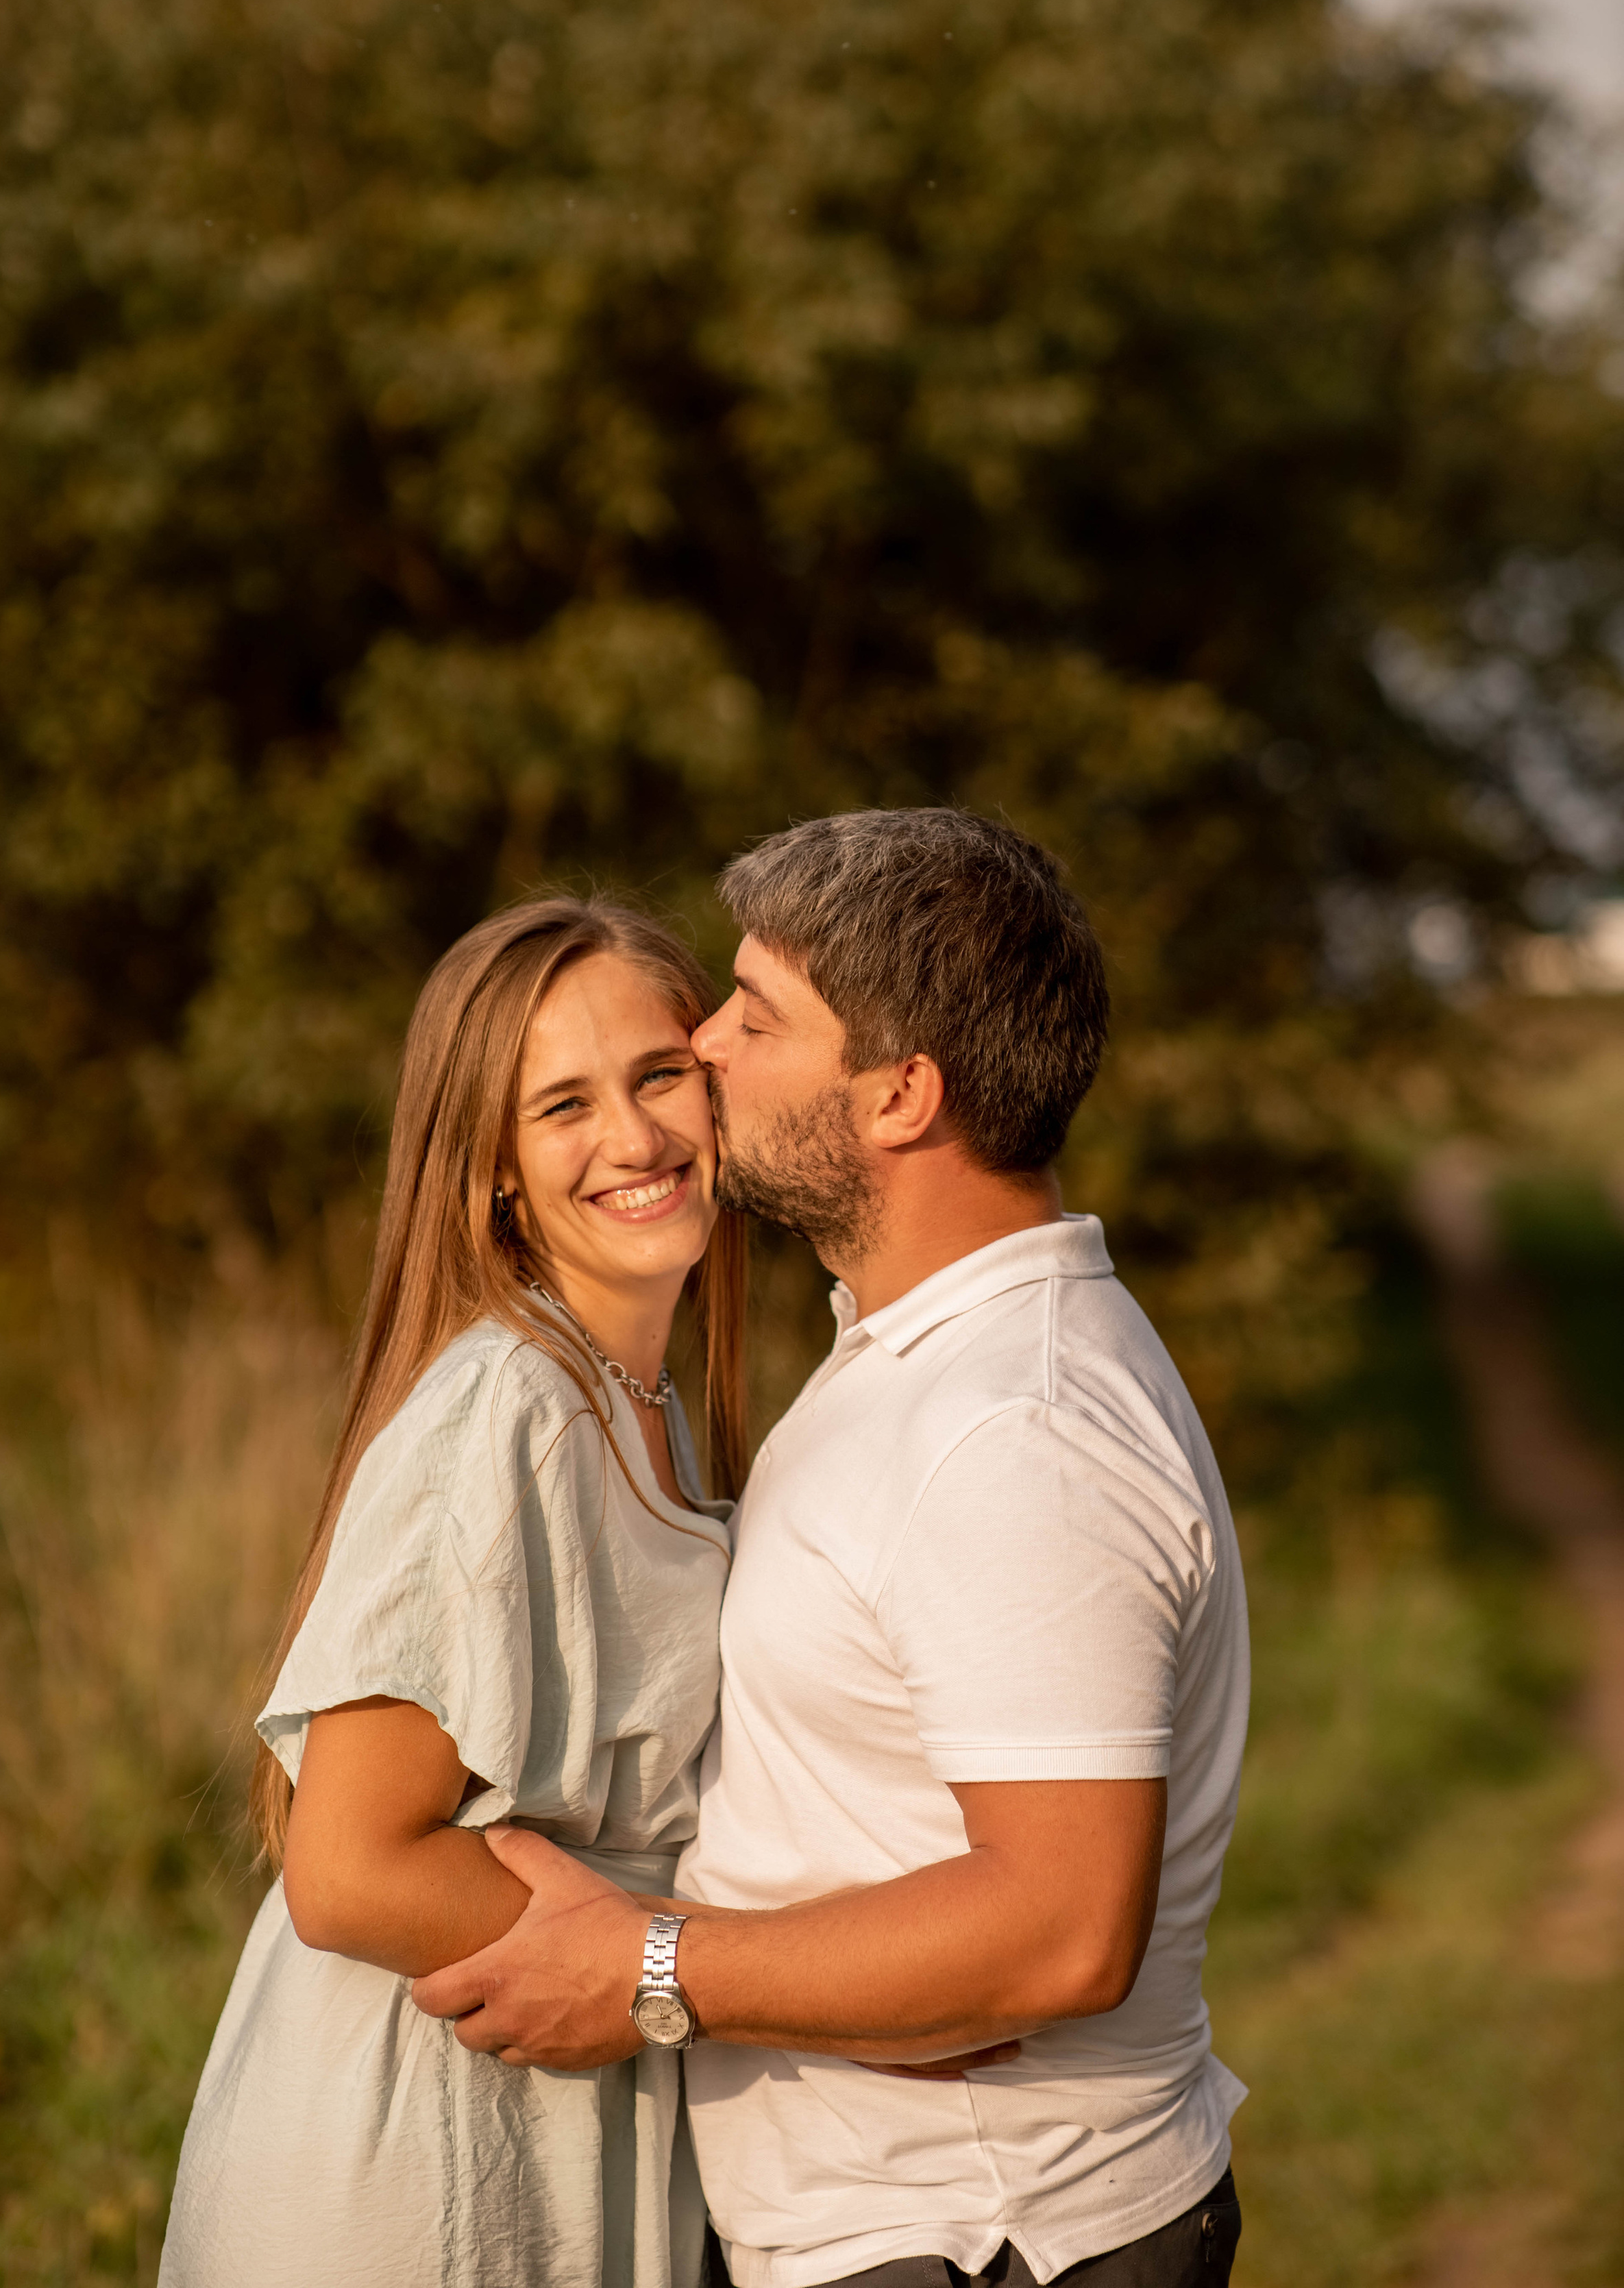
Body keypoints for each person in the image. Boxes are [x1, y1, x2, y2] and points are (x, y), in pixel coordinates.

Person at [414, 809, 1251, 2288]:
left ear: (899, 1097)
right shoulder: (915, 1356)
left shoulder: (1013, 1435)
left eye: (757, 1016)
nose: (704, 1044)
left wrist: (646, 1971)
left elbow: (1056, 1932)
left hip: (980, 2242)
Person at [160, 896, 748, 2288]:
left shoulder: (639, 1409)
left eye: (658, 1076)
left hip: (556, 2121)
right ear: (490, 1168)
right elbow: (348, 1867)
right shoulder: (508, 1408)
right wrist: (674, 1964)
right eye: (563, 1106)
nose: (635, 1138)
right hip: (417, 2165)